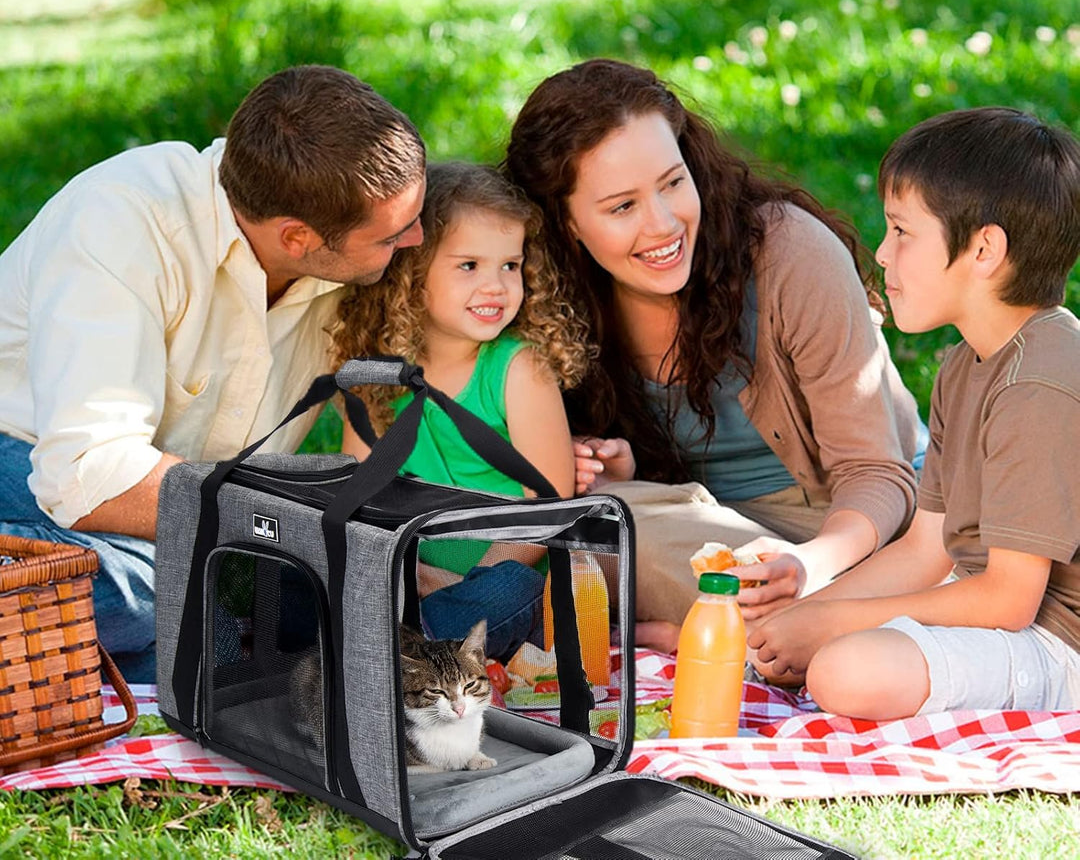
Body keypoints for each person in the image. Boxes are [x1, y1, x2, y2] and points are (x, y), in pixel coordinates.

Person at [0, 65, 426, 681]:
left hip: (164, 510)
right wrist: (286, 519)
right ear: (297, 237)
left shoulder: (337, 233)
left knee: (291, 620)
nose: (416, 238)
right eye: (391, 236)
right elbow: (87, 474)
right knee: (194, 616)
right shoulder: (123, 221)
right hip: (26, 455)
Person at [505, 58, 920, 653]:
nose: (664, 223)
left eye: (673, 183)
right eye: (622, 207)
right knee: (585, 526)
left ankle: (778, 624)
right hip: (695, 532)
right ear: (564, 222)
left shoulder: (789, 255)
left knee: (623, 563)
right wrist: (611, 468)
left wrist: (809, 565)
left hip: (846, 523)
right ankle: (790, 628)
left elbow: (878, 473)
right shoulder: (543, 299)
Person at [747, 107, 1080, 717]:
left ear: (983, 249)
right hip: (981, 604)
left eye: (902, 232)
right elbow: (927, 550)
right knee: (810, 641)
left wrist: (832, 626)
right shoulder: (964, 364)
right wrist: (807, 615)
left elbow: (1010, 600)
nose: (881, 253)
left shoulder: (1042, 380)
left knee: (845, 669)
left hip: (1059, 642)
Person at [332, 160, 590, 660]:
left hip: (503, 580)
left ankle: (396, 648)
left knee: (508, 594)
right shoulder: (375, 375)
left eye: (510, 266)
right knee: (302, 568)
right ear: (411, 275)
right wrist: (413, 575)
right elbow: (358, 501)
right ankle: (403, 640)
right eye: (469, 265)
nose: (496, 286)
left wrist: (469, 582)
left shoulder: (518, 369)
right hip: (410, 572)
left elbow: (545, 509)